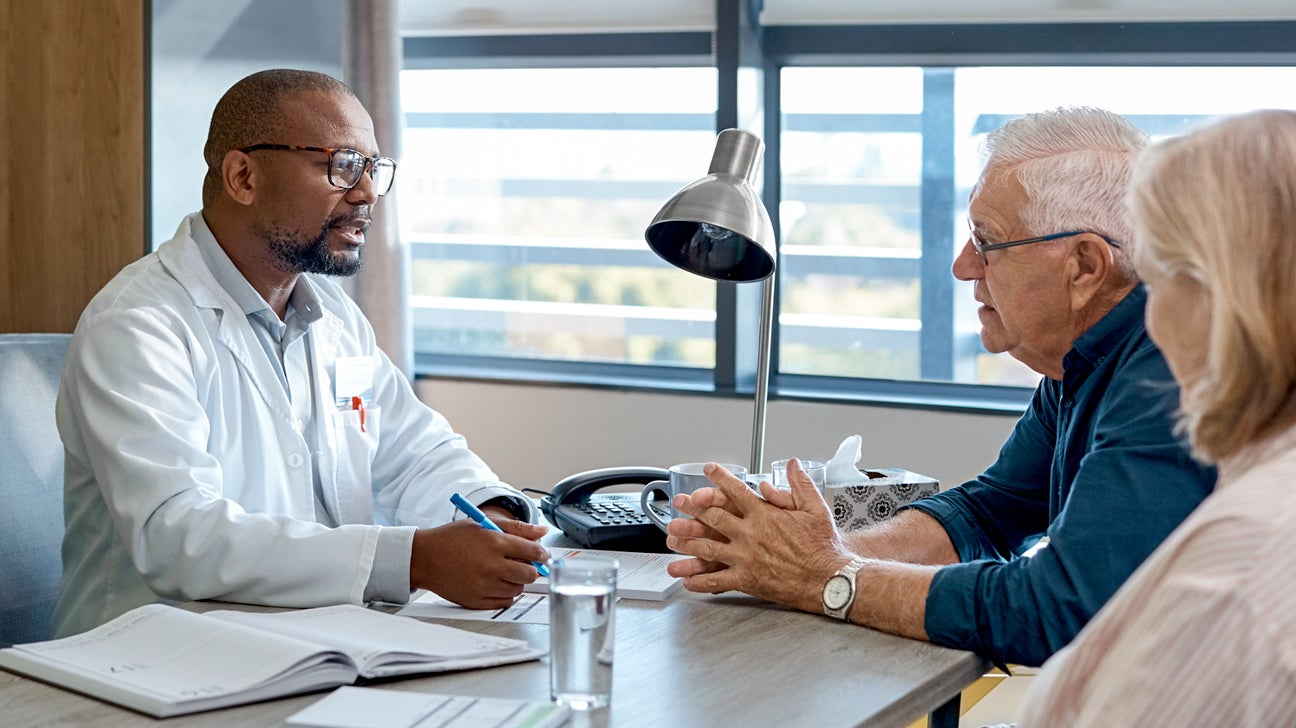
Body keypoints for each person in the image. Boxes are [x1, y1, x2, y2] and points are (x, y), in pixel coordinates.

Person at [664, 107, 1217, 667]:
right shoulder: (1084, 356)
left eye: (987, 241)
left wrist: (824, 576)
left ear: (1085, 266)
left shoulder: (1170, 374)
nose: (961, 267)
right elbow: (988, 512)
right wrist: (800, 553)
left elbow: (1056, 608)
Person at [53, 69, 550, 638]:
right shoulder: (137, 324)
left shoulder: (332, 316)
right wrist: (414, 560)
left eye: (372, 169)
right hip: (147, 663)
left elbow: (418, 453)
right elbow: (178, 535)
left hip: (315, 645)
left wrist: (494, 518)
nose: (365, 194)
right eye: (341, 166)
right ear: (243, 176)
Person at [1019, 109, 1296, 725]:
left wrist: (837, 578)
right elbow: (997, 501)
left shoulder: (1241, 566)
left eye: (1158, 283)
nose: (1149, 322)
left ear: (1225, 300)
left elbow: (1062, 610)